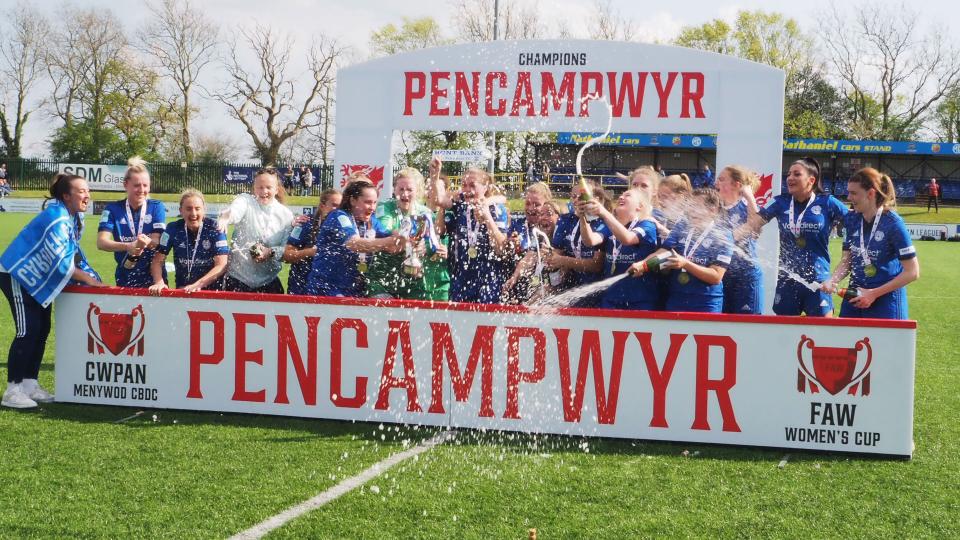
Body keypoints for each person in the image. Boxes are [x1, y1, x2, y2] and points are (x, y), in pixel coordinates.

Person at [1, 173, 107, 408]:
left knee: (41, 329)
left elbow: (74, 254)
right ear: (66, 196)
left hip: (36, 276)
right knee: (27, 331)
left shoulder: (71, 216)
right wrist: (89, 280)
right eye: (82, 191)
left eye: (88, 190)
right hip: (17, 273)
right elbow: (61, 262)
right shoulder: (57, 217)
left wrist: (93, 276)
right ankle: (12, 390)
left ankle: (29, 384)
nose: (87, 195)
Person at [748, 157, 847, 317]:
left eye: (797, 174)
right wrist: (748, 196)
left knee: (821, 334)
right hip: (788, 279)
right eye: (789, 174)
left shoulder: (827, 202)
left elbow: (855, 221)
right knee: (784, 336)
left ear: (811, 180)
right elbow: (752, 225)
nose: (790, 178)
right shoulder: (780, 202)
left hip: (818, 280)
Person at [822, 167, 919, 319]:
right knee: (847, 341)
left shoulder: (893, 223)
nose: (849, 197)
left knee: (883, 343)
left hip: (885, 300)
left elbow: (912, 272)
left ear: (871, 193)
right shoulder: (851, 219)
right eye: (848, 192)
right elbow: (847, 260)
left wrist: (873, 294)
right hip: (854, 296)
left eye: (854, 193)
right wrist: (833, 280)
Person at [632, 188, 733, 313]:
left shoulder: (723, 236)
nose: (690, 211)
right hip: (677, 298)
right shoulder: (682, 226)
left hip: (705, 303)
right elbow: (664, 252)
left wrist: (686, 264)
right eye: (690, 206)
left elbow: (716, 276)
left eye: (696, 206)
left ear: (712, 210)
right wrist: (643, 265)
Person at [427, 160, 510, 304]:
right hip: (461, 277)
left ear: (485, 187)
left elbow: (501, 249)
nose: (467, 190)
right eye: (464, 185)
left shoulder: (496, 209)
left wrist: (487, 218)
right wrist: (435, 175)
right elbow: (438, 200)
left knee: (485, 323)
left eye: (473, 185)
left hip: (488, 279)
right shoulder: (460, 205)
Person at [306, 178, 405, 297]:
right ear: (353, 200)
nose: (372, 208)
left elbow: (393, 237)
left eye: (375, 202)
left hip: (354, 289)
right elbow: (354, 244)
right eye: (368, 202)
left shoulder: (371, 221)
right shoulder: (339, 216)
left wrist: (407, 238)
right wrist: (392, 240)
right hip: (326, 289)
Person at [580, 188, 660, 310]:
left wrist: (603, 212)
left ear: (639, 206)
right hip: (611, 299)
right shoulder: (610, 225)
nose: (621, 197)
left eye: (627, 195)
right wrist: (583, 218)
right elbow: (590, 241)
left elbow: (627, 238)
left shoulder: (647, 225)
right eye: (621, 195)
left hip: (639, 301)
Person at [217, 167, 295, 294]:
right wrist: (226, 216)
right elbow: (235, 210)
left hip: (268, 282)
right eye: (260, 187)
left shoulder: (286, 215)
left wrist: (270, 252)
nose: (264, 191)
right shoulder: (246, 201)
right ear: (254, 188)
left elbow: (287, 251)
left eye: (269, 187)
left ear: (276, 189)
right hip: (238, 280)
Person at [366, 168, 438, 300]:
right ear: (394, 190)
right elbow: (384, 229)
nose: (405, 194)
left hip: (413, 279)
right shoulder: (385, 206)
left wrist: (423, 247)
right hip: (383, 278)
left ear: (418, 191)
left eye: (410, 190)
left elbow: (433, 243)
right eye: (401, 189)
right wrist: (408, 241)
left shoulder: (425, 213)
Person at [97, 156, 167, 288]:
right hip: (125, 276)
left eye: (145, 185)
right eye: (136, 185)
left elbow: (156, 241)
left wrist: (145, 242)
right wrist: (128, 246)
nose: (142, 190)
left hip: (154, 279)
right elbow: (101, 243)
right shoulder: (112, 209)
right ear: (125, 185)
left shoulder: (156, 207)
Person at [543, 178, 612, 303]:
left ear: (595, 199)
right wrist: (550, 257)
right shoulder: (565, 219)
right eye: (574, 196)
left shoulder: (603, 222)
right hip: (570, 288)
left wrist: (563, 261)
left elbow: (596, 265)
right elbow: (557, 254)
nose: (577, 200)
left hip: (596, 291)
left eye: (582, 196)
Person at [148, 189, 229, 295]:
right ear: (181, 211)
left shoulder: (215, 229)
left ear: (204, 210)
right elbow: (157, 260)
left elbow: (222, 265)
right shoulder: (172, 229)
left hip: (211, 294)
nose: (193, 213)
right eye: (188, 209)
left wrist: (197, 285)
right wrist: (159, 282)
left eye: (197, 209)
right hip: (183, 292)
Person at [716, 165, 764, 314]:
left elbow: (756, 231)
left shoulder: (746, 205)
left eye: (722, 179)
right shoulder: (715, 208)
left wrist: (749, 196)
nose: (716, 183)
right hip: (722, 276)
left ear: (737, 185)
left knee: (748, 326)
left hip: (746, 276)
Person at [502, 183, 557, 303]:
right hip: (518, 286)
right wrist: (511, 247)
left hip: (545, 289)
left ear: (547, 205)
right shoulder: (516, 225)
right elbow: (504, 255)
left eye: (536, 205)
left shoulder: (554, 228)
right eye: (527, 203)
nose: (531, 208)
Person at [284, 188, 341, 295]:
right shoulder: (305, 223)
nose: (337, 210)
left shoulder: (343, 229)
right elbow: (287, 256)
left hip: (329, 291)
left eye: (340, 206)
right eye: (334, 205)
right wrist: (310, 252)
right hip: (300, 289)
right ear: (322, 206)